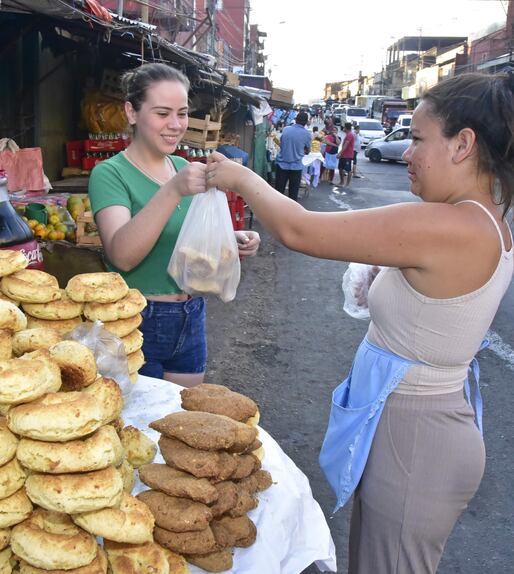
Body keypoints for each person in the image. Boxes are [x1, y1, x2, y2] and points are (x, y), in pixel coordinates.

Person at [205, 71, 514, 573]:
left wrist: (239, 177)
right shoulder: (481, 217)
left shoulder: (450, 223)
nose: (406, 153)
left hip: (416, 437)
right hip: (416, 425)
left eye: (416, 138)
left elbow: (298, 228)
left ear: (463, 145)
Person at [88, 63, 260, 388]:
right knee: (144, 426)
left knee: (182, 424)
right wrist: (173, 190)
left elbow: (187, 238)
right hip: (138, 321)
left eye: (181, 113)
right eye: (162, 113)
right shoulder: (110, 174)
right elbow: (122, 255)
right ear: (132, 112)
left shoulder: (181, 166)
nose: (175, 125)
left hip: (191, 316)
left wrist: (230, 238)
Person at [274, 111, 311, 201]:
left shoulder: (286, 129)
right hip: (296, 166)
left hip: (282, 165)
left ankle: (275, 212)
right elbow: (308, 150)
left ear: (296, 119)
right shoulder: (307, 134)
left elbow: (281, 143)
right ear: (306, 122)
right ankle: (291, 213)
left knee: (279, 192)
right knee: (293, 193)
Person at [336, 122, 356, 187]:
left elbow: (345, 145)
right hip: (344, 155)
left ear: (346, 128)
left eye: (344, 127)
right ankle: (341, 182)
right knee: (340, 168)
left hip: (347, 155)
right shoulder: (347, 134)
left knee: (348, 170)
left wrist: (340, 153)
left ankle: (347, 184)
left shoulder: (349, 135)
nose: (343, 128)